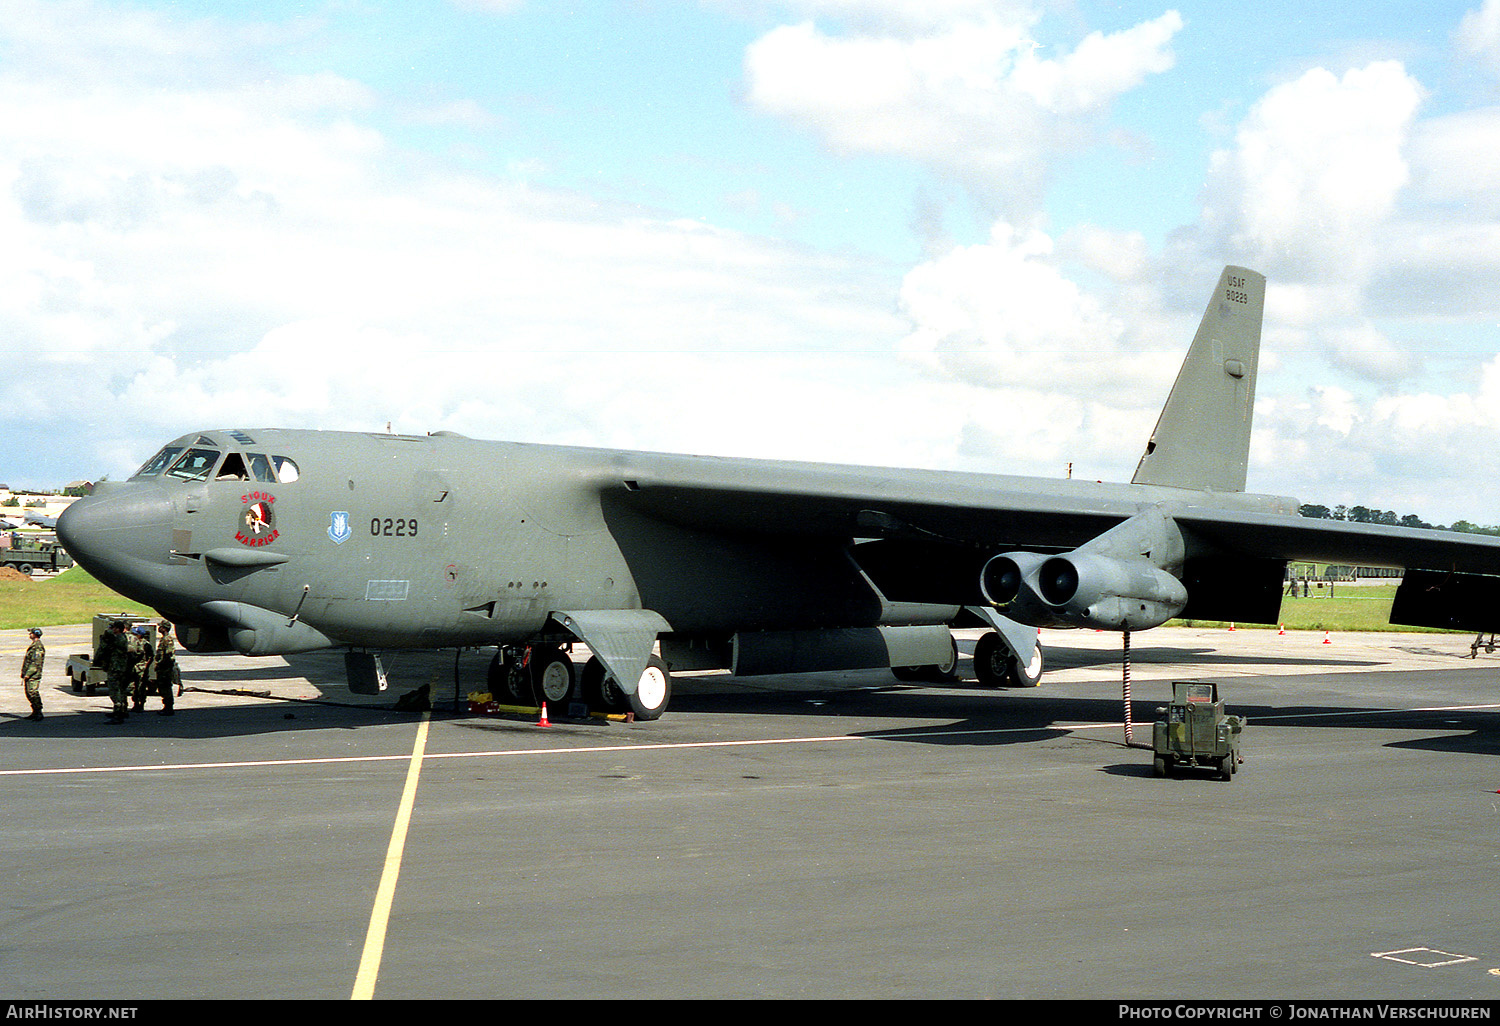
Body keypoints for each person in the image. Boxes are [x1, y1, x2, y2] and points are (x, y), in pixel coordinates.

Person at [94, 620, 135, 724]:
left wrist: (108, 631)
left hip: (116, 669)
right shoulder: (120, 638)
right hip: (119, 668)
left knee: (114, 691)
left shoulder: (119, 638)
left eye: (114, 628)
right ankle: (120, 711)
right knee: (120, 690)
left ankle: (118, 715)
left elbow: (108, 638)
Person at [150, 621, 180, 716]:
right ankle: (167, 706)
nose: (160, 628)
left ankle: (169, 707)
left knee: (166, 687)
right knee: (163, 688)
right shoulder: (164, 639)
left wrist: (163, 665)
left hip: (165, 669)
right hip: (162, 668)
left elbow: (168, 654)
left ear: (165, 628)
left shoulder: (167, 639)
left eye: (161, 627)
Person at [21, 627, 44, 721]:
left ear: (35, 634)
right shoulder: (34, 645)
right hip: (30, 673)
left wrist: (28, 673)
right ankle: (34, 711)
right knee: (28, 693)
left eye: (31, 633)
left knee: (33, 692)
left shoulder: (38, 646)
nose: (29, 635)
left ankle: (38, 712)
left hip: (33, 674)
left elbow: (36, 661)